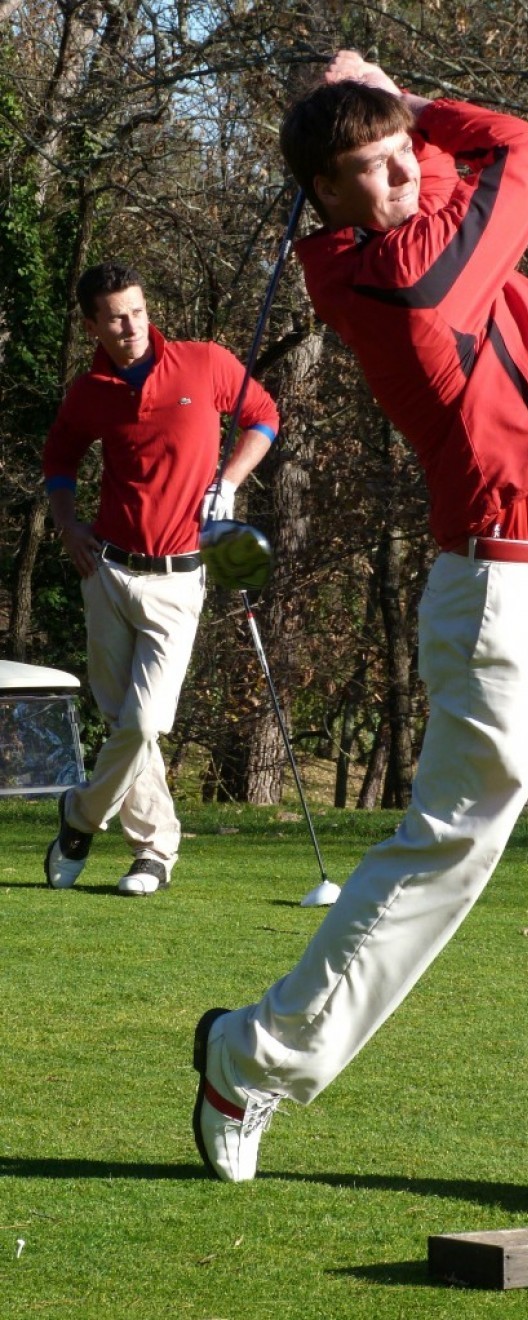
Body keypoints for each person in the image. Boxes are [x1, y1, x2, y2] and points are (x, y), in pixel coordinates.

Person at [191, 51, 528, 1216]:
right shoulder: (395, 273)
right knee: (448, 851)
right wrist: (414, 96)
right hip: (503, 594)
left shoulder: (428, 208)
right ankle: (252, 1060)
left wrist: (393, 107)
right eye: (366, 169)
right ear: (327, 199)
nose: (399, 173)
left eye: (401, 154)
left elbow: (468, 161)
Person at [42, 261, 279, 896]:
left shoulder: (204, 363)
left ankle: (79, 815)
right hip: (108, 571)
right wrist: (68, 526)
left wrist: (229, 482)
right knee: (126, 725)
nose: (131, 325)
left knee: (143, 725)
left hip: (180, 579)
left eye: (138, 310)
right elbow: (59, 460)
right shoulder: (88, 388)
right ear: (93, 322)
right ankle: (154, 853)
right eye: (115, 316)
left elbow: (263, 416)